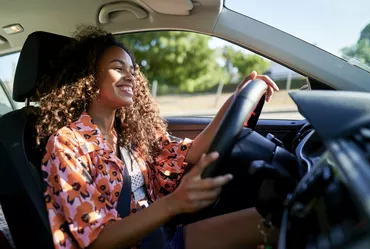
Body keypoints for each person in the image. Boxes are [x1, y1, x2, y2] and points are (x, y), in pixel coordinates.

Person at [37, 26, 280, 249]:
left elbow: (193, 151)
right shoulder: (67, 143)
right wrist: (175, 203)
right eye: (118, 68)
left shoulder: (131, 132)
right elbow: (97, 241)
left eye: (132, 70)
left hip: (160, 235)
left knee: (276, 222)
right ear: (89, 78)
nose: (130, 77)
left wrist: (236, 99)